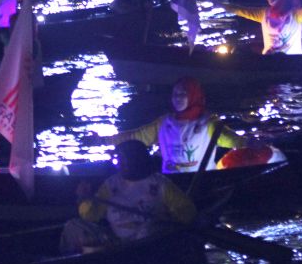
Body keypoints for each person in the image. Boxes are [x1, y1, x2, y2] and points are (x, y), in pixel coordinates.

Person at [60, 140, 197, 254]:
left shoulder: (160, 184)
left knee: (148, 230)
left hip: (148, 243)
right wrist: (86, 199)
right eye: (118, 159)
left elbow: (187, 212)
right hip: (115, 242)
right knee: (72, 226)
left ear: (137, 159)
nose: (119, 163)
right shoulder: (111, 184)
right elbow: (92, 216)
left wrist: (170, 220)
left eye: (123, 158)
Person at [100, 78, 248, 172]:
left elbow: (231, 139)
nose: (177, 98)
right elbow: (135, 136)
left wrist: (249, 143)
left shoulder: (208, 123)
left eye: (182, 94)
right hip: (172, 185)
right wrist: (104, 140)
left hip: (203, 181)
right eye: (174, 94)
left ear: (193, 96)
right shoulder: (164, 123)